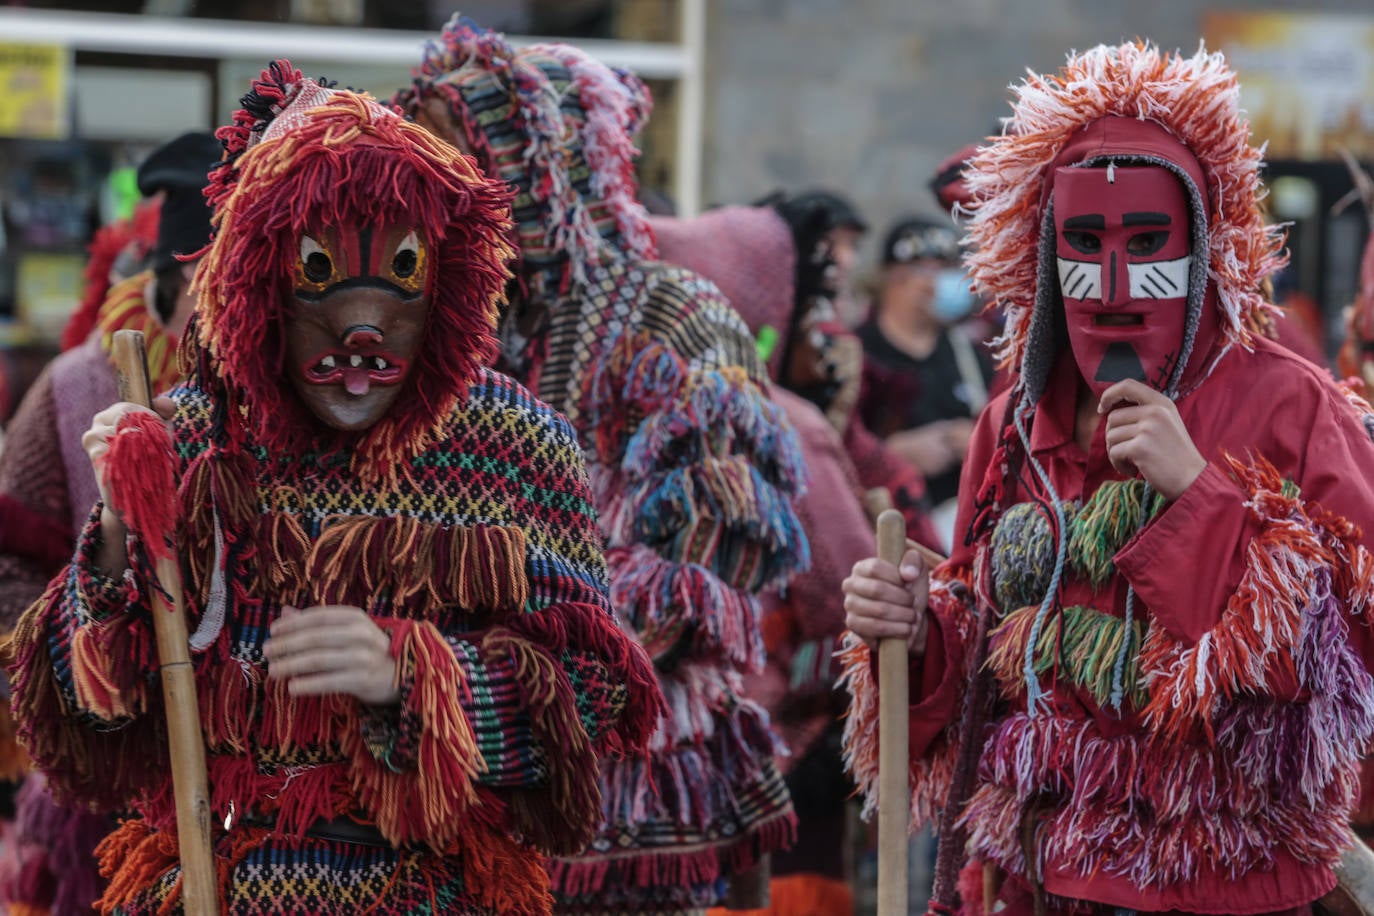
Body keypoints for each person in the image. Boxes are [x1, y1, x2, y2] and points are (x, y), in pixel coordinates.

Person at [6, 62, 659, 915]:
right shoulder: (193, 434)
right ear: (259, 279)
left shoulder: (516, 445)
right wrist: (120, 538)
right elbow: (89, 720)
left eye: (400, 270)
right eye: (318, 268)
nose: (361, 325)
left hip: (431, 891)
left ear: (448, 279)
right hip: (211, 886)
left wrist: (418, 676)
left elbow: (596, 704)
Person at [839, 42, 1374, 916]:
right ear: (1044, 253)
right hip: (1029, 881)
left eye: (1148, 241)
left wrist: (1198, 494)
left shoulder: (1292, 406)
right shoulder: (1011, 424)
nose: (1115, 282)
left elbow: (1345, 668)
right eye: (1085, 242)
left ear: (1206, 245)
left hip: (1226, 890)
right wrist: (912, 627)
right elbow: (986, 657)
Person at [397, 19, 809, 915]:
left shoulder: (670, 315)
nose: (431, 199)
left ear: (537, 175)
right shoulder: (438, 327)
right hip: (452, 776)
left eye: (454, 163)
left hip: (622, 786)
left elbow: (717, 549)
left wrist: (527, 672)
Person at [0, 131, 215, 632]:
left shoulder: (292, 387)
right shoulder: (76, 382)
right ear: (194, 271)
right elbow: (13, 567)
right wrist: (72, 667)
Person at [856, 215, 994, 551]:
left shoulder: (969, 355)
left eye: (947, 269)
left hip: (957, 539)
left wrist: (976, 443)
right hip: (878, 539)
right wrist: (890, 455)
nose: (943, 283)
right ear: (893, 278)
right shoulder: (857, 353)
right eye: (928, 270)